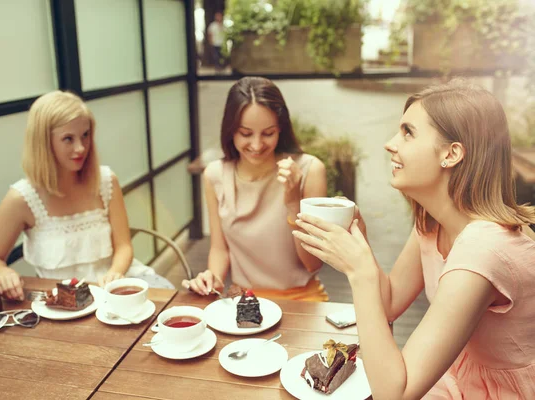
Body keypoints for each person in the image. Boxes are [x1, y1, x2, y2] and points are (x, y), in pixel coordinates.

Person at [294, 79, 535, 399]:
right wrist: (361, 249)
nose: (390, 144)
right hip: (456, 378)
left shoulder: (485, 248)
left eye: (408, 132)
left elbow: (397, 394)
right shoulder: (433, 222)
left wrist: (360, 272)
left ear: (452, 154)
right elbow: (390, 302)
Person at [0, 91, 153, 301]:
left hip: (120, 288)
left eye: (85, 135)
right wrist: (4, 271)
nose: (81, 148)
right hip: (65, 304)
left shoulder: (107, 180)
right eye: (68, 139)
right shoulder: (20, 199)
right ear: (44, 143)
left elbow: (124, 246)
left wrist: (115, 274)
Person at [186, 77, 329, 301]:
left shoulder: (309, 170)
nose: (256, 144)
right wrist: (212, 278)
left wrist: (293, 203)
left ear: (280, 128)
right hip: (246, 303)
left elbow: (313, 264)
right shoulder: (215, 175)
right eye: (245, 134)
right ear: (230, 130)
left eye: (268, 133)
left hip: (302, 300)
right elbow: (219, 249)